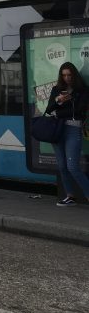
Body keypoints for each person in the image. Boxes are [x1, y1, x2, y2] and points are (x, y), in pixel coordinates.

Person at [44, 62, 89, 206]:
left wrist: (61, 111)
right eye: (64, 75)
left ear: (74, 75)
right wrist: (58, 101)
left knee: (72, 166)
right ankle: (70, 196)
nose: (67, 78)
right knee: (62, 166)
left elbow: (80, 110)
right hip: (58, 130)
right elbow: (49, 109)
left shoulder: (81, 90)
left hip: (73, 129)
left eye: (69, 75)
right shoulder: (57, 89)